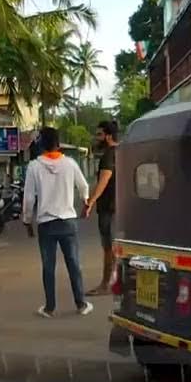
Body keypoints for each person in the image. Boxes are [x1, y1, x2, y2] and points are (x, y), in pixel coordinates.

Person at [23, 127, 93, 317]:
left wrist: (27, 221)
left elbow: (29, 198)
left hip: (46, 224)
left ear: (41, 144)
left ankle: (49, 308)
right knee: (74, 264)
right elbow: (84, 186)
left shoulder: (34, 167)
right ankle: (81, 304)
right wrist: (86, 202)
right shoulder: (70, 164)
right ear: (58, 144)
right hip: (68, 222)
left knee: (48, 267)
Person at [82, 120, 118, 295]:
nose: (97, 138)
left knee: (108, 249)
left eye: (99, 134)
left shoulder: (108, 156)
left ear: (108, 136)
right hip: (120, 207)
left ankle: (105, 285)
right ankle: (118, 282)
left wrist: (91, 201)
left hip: (108, 208)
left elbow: (104, 180)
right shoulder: (122, 152)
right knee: (116, 248)